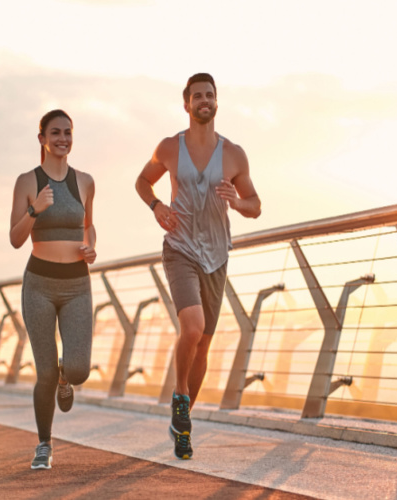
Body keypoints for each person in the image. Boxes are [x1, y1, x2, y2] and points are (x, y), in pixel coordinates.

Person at [136, 73, 261, 460]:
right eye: (197, 96)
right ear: (186, 104)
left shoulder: (235, 154)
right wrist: (157, 206)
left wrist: (236, 203)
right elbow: (143, 181)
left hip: (217, 256)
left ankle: (182, 424)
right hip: (180, 249)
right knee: (193, 327)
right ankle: (179, 399)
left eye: (210, 95)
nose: (204, 100)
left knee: (204, 341)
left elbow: (255, 204)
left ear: (216, 103)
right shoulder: (170, 147)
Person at [9, 109, 97, 469]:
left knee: (78, 370)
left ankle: (67, 376)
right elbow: (15, 239)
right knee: (44, 373)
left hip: (77, 284)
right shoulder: (28, 181)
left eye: (68, 133)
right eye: (55, 132)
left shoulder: (86, 181)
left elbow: (89, 226)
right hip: (39, 285)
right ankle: (44, 443)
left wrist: (91, 247)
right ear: (42, 138)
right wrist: (34, 209)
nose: (63, 139)